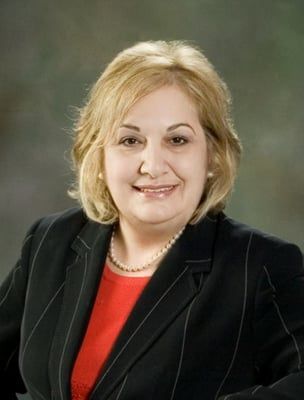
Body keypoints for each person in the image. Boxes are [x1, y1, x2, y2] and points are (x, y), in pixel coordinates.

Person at [0, 40, 303, 400]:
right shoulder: (51, 242)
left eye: (177, 139)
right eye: (130, 140)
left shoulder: (261, 266)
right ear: (99, 157)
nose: (154, 165)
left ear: (212, 156)